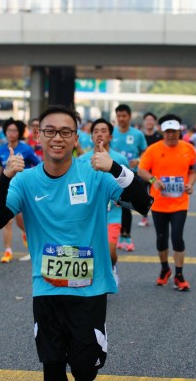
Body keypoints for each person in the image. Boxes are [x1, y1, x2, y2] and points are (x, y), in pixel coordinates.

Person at [0, 104, 151, 381]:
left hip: (90, 291)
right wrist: (5, 177)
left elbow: (143, 203)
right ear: (38, 136)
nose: (57, 138)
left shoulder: (96, 174)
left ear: (76, 138)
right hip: (47, 289)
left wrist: (115, 169)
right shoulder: (25, 181)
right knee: (52, 370)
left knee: (84, 370)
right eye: (50, 131)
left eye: (65, 132)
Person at [138, 115, 196, 291]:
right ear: (162, 133)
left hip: (180, 202)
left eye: (174, 131)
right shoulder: (153, 150)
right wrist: (153, 180)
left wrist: (190, 184)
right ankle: (165, 269)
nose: (171, 135)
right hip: (159, 202)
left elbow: (193, 171)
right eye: (167, 132)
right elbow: (141, 170)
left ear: (180, 132)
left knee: (177, 237)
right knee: (161, 237)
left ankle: (179, 275)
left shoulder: (188, 149)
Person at [79, 118, 129, 286]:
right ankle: (92, 282)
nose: (99, 134)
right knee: (89, 251)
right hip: (88, 214)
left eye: (103, 131)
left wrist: (121, 199)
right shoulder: (82, 160)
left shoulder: (120, 159)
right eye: (95, 131)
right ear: (91, 136)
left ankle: (112, 266)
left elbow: (129, 185)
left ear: (110, 137)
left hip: (112, 213)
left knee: (109, 250)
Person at [0, 118, 40, 263]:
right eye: (8, 130)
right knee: (7, 221)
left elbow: (38, 165)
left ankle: (26, 235)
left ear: (19, 133)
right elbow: (2, 166)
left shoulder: (26, 149)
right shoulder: (1, 149)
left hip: (23, 189)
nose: (11, 133)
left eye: (14, 131)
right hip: (7, 188)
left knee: (21, 221)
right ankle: (8, 251)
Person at [111, 104, 147, 251]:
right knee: (114, 206)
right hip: (113, 175)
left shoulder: (137, 134)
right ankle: (115, 236)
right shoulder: (111, 133)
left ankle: (127, 237)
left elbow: (145, 152)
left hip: (131, 175)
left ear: (129, 117)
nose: (121, 119)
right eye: (119, 116)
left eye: (124, 116)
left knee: (126, 206)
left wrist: (138, 160)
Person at [138, 112, 163, 227]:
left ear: (155, 122)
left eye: (151, 120)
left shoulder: (160, 137)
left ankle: (161, 216)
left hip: (156, 172)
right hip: (143, 171)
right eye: (147, 120)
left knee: (157, 193)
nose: (149, 122)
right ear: (144, 122)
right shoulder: (140, 136)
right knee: (143, 194)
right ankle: (145, 217)